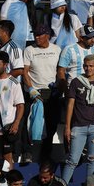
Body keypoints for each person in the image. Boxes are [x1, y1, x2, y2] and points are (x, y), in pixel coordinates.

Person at [61, 54, 94, 183]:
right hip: (79, 126)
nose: (88, 69)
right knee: (72, 160)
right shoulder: (76, 82)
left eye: (91, 66)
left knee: (92, 159)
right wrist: (67, 127)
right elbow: (70, 105)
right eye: (86, 66)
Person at [23, 25, 62, 161]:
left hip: (51, 92)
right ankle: (27, 152)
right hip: (34, 92)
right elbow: (25, 71)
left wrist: (58, 86)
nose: (36, 37)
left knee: (51, 125)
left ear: (48, 36)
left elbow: (60, 70)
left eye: (40, 35)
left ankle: (46, 154)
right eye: (35, 35)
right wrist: (30, 88)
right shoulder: (29, 50)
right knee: (27, 122)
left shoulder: (57, 49)